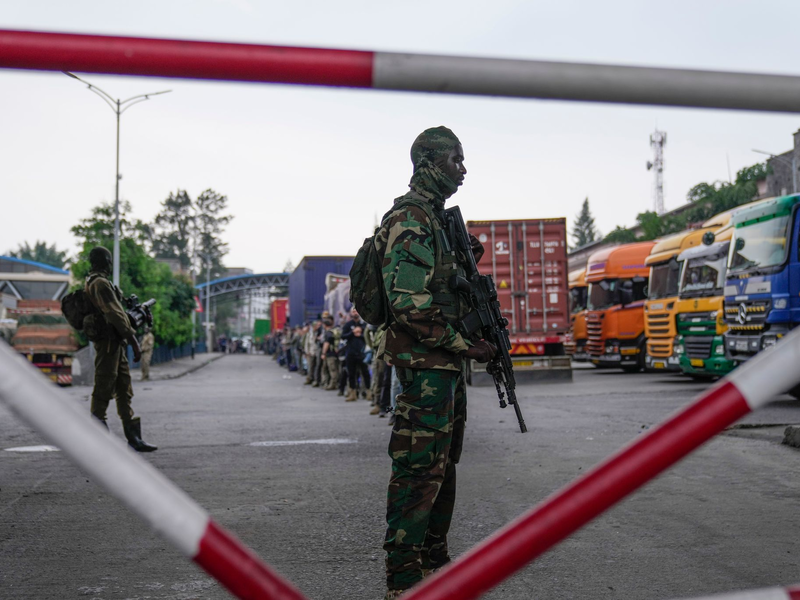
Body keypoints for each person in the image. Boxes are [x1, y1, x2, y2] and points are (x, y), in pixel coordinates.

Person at [375, 127, 496, 598]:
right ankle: (403, 578)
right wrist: (465, 345)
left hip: (443, 366)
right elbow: (409, 304)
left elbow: (439, 287)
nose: (463, 169)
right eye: (455, 160)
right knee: (417, 470)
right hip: (425, 366)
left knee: (443, 464)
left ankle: (434, 561)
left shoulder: (437, 219)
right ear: (428, 163)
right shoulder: (410, 218)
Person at [82, 246, 157, 452]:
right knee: (104, 385)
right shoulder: (99, 283)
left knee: (124, 387)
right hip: (108, 344)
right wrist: (133, 340)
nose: (110, 264)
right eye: (108, 260)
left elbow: (119, 313)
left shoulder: (98, 282)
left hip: (115, 343)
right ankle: (99, 439)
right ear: (105, 261)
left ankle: (134, 438)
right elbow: (115, 315)